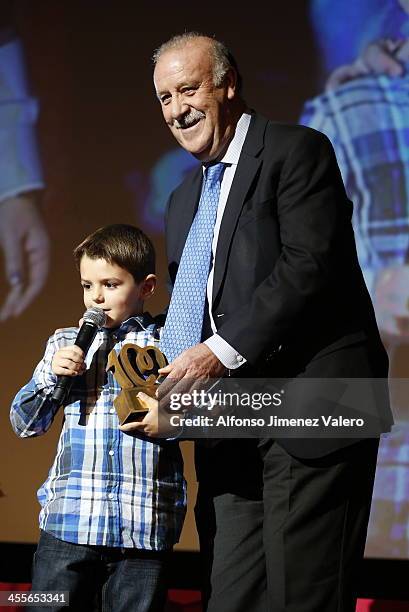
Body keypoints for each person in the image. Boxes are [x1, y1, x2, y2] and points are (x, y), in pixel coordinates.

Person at [146, 32, 393, 611]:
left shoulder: (297, 151)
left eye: (188, 90)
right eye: (163, 98)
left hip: (314, 409)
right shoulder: (183, 198)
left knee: (302, 598)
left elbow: (310, 265)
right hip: (232, 425)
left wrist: (217, 352)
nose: (177, 110)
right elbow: (195, 307)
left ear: (228, 84)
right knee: (230, 598)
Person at [10, 223, 186, 612]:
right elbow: (25, 424)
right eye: (87, 286)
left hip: (142, 526)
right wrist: (51, 376)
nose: (96, 299)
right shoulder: (64, 343)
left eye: (110, 284)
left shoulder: (169, 343)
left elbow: (192, 418)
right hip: (70, 524)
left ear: (147, 287)